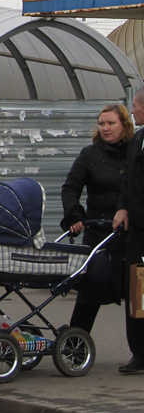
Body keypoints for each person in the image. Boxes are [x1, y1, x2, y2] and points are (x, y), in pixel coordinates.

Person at [60, 103, 134, 333]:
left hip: (130, 234)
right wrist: (74, 214)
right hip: (98, 231)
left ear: (124, 125)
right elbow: (71, 187)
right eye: (101, 123)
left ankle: (139, 352)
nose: (105, 128)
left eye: (111, 123)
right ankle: (76, 345)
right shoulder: (89, 154)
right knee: (89, 292)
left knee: (135, 294)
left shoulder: (135, 153)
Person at [113, 87, 144, 375]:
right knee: (136, 293)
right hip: (138, 235)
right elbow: (128, 182)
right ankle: (139, 352)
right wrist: (122, 207)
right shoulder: (137, 140)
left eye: (134, 106)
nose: (132, 111)